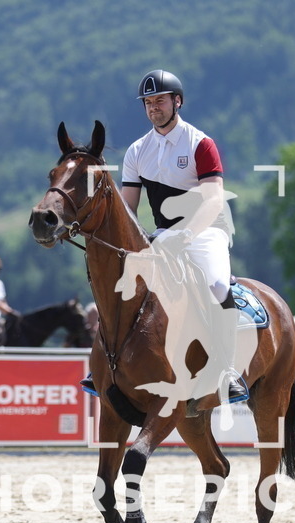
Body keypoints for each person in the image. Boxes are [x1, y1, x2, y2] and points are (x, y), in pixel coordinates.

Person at [81, 69, 245, 402]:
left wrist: (184, 235)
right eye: (149, 102)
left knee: (216, 284)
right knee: (119, 284)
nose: (154, 107)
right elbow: (127, 209)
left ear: (177, 101)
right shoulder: (137, 151)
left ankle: (228, 369)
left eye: (160, 101)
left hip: (205, 232)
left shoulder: (201, 143)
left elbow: (213, 198)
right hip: (159, 235)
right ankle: (103, 366)